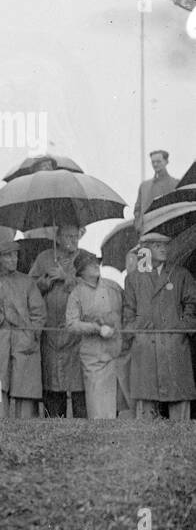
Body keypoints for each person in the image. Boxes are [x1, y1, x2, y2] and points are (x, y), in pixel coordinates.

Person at [121, 231, 196, 420]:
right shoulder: (134, 278)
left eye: (165, 245)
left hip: (174, 344)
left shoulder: (180, 274)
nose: (163, 249)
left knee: (179, 398)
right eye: (157, 245)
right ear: (145, 249)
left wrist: (183, 326)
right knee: (146, 402)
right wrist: (135, 331)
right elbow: (128, 310)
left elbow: (193, 303)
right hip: (145, 346)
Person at [0, 238, 46, 419]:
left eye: (15, 255)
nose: (13, 259)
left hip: (24, 342)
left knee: (25, 387)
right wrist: (0, 318)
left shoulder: (27, 282)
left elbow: (39, 312)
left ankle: (25, 428)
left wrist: (32, 335)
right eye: (8, 256)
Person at [29, 225, 87, 417]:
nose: (73, 240)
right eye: (68, 235)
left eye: (75, 235)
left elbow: (93, 288)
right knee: (52, 379)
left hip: (76, 330)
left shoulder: (86, 258)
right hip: (51, 330)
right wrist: (43, 284)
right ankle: (53, 421)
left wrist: (67, 277)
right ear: (58, 238)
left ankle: (81, 423)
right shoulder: (44, 258)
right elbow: (30, 288)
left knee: (79, 382)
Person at [64, 253, 124, 419]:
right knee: (97, 406)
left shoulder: (113, 287)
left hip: (115, 351)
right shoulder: (76, 293)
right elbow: (71, 324)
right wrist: (96, 328)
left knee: (113, 405)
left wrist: (114, 325)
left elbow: (126, 311)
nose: (95, 266)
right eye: (90, 264)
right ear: (81, 271)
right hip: (93, 356)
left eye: (96, 263)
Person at [134, 149, 179, 230]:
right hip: (146, 233)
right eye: (153, 162)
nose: (155, 164)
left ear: (166, 162)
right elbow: (137, 209)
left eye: (158, 161)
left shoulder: (175, 184)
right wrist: (138, 225)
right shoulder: (144, 186)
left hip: (167, 232)